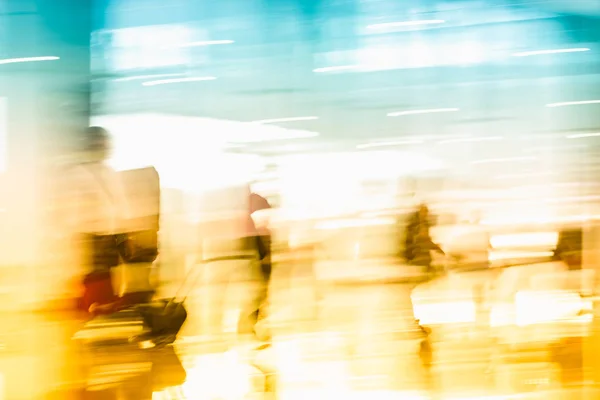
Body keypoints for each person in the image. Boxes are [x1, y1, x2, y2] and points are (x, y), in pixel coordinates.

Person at [404, 204, 444, 275]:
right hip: (413, 254)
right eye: (424, 212)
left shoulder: (423, 223)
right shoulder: (418, 225)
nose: (425, 214)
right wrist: (438, 249)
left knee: (426, 249)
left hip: (415, 251)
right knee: (424, 250)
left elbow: (426, 239)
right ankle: (427, 269)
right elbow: (424, 240)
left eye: (426, 212)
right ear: (419, 212)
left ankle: (428, 269)